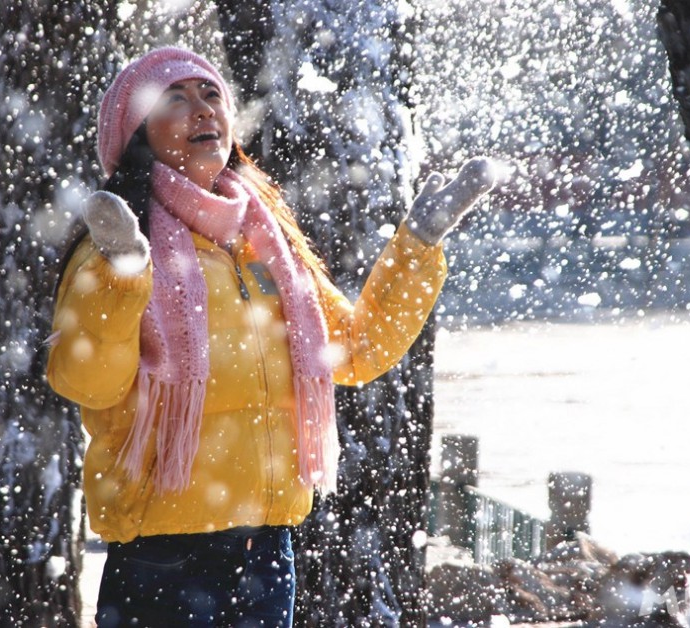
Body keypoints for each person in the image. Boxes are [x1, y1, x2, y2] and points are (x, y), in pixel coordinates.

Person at [46, 46, 495, 628]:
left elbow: (354, 349)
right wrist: (123, 277)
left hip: (265, 547)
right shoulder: (111, 249)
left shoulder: (265, 240)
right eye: (174, 100)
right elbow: (88, 383)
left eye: (211, 95)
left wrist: (417, 245)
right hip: (163, 551)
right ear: (136, 134)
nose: (202, 110)